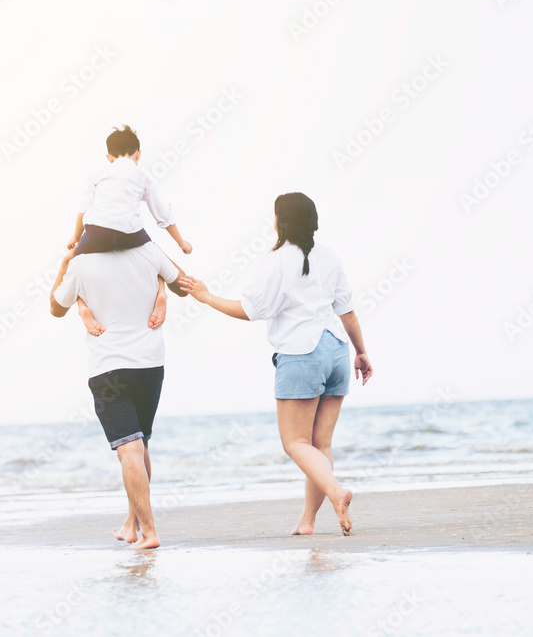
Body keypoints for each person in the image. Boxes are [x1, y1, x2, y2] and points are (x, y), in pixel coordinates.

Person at [180, 192, 373, 537]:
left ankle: (336, 493)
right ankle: (308, 522)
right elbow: (348, 311)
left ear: (279, 222)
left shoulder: (277, 260)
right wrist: (361, 351)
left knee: (295, 442)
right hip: (338, 350)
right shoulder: (329, 256)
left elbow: (251, 310)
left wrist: (206, 296)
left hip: (302, 354)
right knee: (320, 444)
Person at [50, 241, 187, 549]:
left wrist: (66, 267)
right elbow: (183, 282)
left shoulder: (82, 264)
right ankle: (132, 525)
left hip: (110, 368)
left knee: (129, 451)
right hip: (150, 365)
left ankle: (150, 533)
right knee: (140, 447)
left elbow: (55, 307)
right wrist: (162, 291)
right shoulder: (148, 250)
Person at [66, 125, 192, 338]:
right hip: (130, 234)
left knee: (75, 269)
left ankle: (82, 308)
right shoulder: (142, 175)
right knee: (157, 261)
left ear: (109, 157)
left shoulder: (97, 174)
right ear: (138, 154)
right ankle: (161, 294)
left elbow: (83, 211)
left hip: (98, 232)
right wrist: (182, 243)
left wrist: (76, 237)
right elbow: (162, 215)